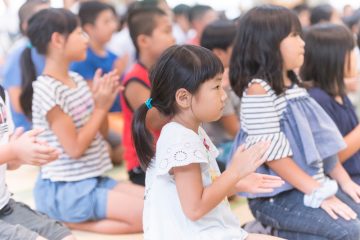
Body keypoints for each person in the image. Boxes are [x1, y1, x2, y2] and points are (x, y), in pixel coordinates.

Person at [229, 5, 360, 239]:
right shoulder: (258, 91)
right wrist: (319, 192)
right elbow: (274, 157)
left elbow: (321, 141)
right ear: (268, 43)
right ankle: (268, 229)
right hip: (276, 196)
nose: (303, 43)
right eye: (294, 36)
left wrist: (344, 181)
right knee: (349, 232)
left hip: (310, 185)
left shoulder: (295, 84)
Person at [132, 44, 284, 240]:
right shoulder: (180, 141)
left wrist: (237, 183)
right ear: (184, 97)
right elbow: (195, 208)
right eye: (216, 86)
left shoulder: (189, 131)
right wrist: (235, 172)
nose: (223, 95)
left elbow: (203, 190)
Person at [20, 8, 143, 234]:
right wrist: (101, 107)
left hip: (91, 179)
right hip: (66, 190)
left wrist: (102, 102)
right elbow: (74, 148)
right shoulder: (47, 89)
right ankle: (66, 221)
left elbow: (102, 133)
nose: (85, 39)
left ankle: (67, 218)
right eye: (78, 33)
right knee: (147, 216)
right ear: (57, 40)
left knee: (157, 202)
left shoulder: (75, 80)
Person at [0, 84, 76, 240]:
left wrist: (23, 156)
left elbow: (9, 162)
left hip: (5, 206)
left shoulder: (1, 92)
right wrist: (13, 150)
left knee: (67, 238)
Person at [121, 6, 175, 185]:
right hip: (145, 163)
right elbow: (154, 120)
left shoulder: (163, 72)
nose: (173, 37)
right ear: (143, 40)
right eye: (166, 31)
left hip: (169, 154)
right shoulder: (135, 80)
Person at [301, 23, 360, 185]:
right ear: (334, 57)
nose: (355, 57)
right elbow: (332, 159)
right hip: (345, 181)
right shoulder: (317, 99)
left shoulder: (337, 92)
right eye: (351, 51)